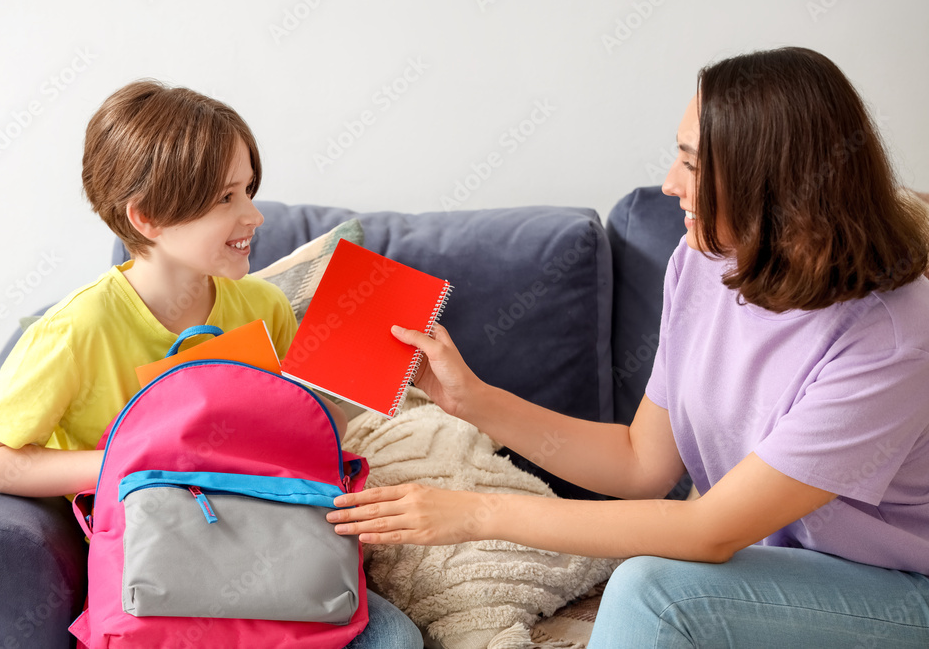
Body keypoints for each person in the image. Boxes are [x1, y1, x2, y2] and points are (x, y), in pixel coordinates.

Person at [327, 47, 929, 647]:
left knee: (653, 592)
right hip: (786, 564)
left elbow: (710, 531)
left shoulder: (890, 338)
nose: (669, 183)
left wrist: (476, 513)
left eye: (693, 165)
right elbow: (642, 462)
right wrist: (472, 400)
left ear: (771, 181)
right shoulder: (704, 263)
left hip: (897, 585)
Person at [0, 80, 422, 648]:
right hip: (156, 564)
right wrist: (129, 464)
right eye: (226, 198)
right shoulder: (75, 330)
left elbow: (302, 439)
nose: (252, 215)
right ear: (148, 216)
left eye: (248, 189)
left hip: (271, 543)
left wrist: (340, 397)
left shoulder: (264, 306)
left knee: (395, 639)